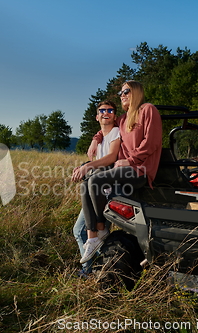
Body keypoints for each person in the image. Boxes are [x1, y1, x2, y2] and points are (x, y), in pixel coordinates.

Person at [79, 80, 162, 264]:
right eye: (121, 93)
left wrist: (130, 160)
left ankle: (100, 229)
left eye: (126, 91)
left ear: (137, 92)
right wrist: (96, 138)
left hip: (140, 170)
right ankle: (94, 235)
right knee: (86, 183)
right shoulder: (123, 119)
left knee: (95, 182)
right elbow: (106, 124)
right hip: (124, 169)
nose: (122, 95)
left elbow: (152, 143)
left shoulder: (148, 110)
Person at [71, 100, 120, 273]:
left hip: (104, 192)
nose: (106, 113)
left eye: (110, 110)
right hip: (95, 190)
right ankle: (96, 268)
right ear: (97, 116)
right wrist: (85, 166)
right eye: (102, 110)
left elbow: (112, 157)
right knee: (89, 232)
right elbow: (97, 164)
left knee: (82, 231)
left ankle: (92, 271)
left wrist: (88, 166)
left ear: (115, 115)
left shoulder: (115, 132)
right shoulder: (101, 138)